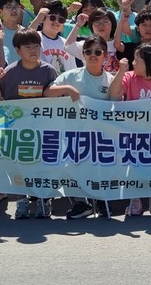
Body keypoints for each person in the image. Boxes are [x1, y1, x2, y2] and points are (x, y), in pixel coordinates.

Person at [0, 27, 58, 219]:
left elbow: (55, 99)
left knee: (43, 165)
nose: (33, 50)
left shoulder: (49, 71)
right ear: (18, 50)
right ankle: (21, 201)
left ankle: (44, 199)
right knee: (19, 165)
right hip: (17, 130)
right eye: (27, 47)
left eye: (36, 46)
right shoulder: (10, 72)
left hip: (42, 129)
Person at [44, 35, 115, 219]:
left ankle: (100, 199)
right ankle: (81, 203)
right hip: (72, 134)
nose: (93, 55)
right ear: (83, 54)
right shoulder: (71, 75)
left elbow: (117, 105)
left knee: (100, 167)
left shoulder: (110, 80)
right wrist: (67, 89)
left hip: (100, 136)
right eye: (88, 51)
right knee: (71, 167)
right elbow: (48, 92)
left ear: (105, 55)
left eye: (98, 52)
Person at [109, 43, 151, 215]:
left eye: (137, 59)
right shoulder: (129, 77)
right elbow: (114, 94)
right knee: (133, 167)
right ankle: (135, 199)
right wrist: (121, 71)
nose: (133, 62)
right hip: (134, 133)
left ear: (150, 62)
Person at [65, 8, 119, 73]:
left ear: (113, 24)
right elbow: (68, 46)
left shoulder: (119, 45)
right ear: (91, 26)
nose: (101, 25)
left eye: (105, 22)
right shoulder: (87, 44)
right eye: (97, 22)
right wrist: (78, 25)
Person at [30, 0, 76, 74]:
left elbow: (73, 72)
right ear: (43, 18)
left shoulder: (66, 44)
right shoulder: (35, 37)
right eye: (52, 17)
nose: (56, 21)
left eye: (61, 20)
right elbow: (24, 39)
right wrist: (38, 19)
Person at [0, 0, 23, 65]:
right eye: (9, 7)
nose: (14, 10)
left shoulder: (24, 31)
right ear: (0, 11)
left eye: (16, 6)